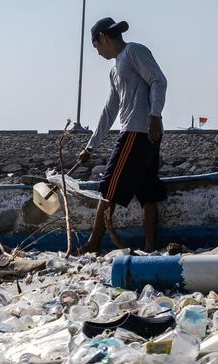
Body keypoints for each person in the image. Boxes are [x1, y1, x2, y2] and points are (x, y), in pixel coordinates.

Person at [76, 17, 168, 253]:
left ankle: (93, 243)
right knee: (147, 192)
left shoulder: (133, 52)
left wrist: (155, 115)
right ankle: (150, 247)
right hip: (142, 133)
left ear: (104, 38)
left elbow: (159, 80)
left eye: (96, 46)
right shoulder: (114, 70)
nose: (97, 52)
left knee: (108, 188)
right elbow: (110, 110)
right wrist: (90, 146)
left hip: (136, 132)